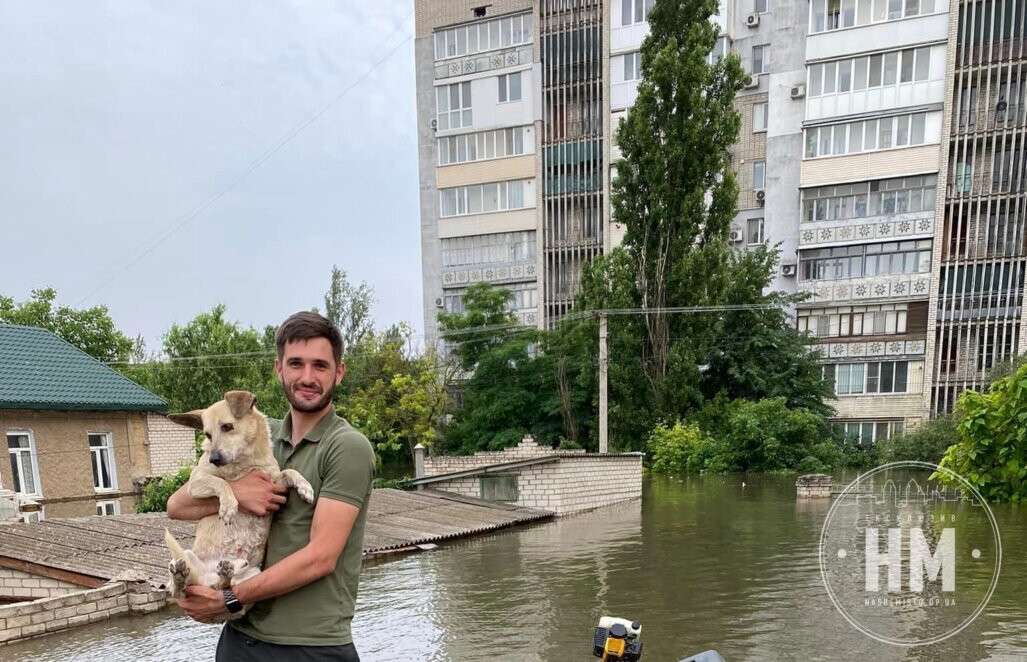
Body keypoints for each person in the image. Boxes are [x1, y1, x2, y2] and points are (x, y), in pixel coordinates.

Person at [167, 311, 376, 661]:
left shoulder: (347, 447)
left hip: (310, 647)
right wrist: (240, 494)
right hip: (240, 639)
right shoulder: (256, 441)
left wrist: (230, 598)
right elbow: (176, 506)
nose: (307, 377)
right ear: (279, 368)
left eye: (320, 366)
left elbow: (320, 558)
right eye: (296, 364)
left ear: (339, 372)